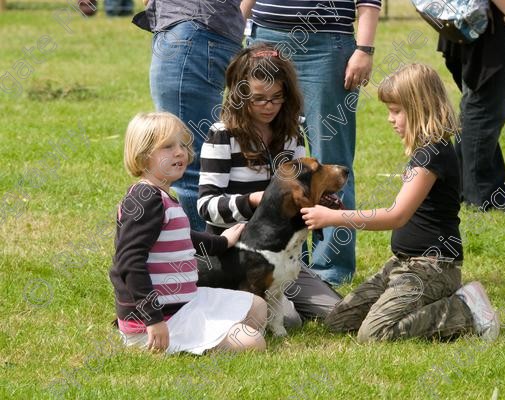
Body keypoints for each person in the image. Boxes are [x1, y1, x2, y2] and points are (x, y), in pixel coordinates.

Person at [301, 64, 500, 342]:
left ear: (420, 108)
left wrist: (332, 218)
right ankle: (426, 305)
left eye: (396, 111)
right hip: (402, 264)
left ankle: (465, 308)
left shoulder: (433, 155)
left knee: (374, 335)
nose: (390, 119)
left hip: (432, 267)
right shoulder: (425, 151)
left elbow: (396, 216)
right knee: (338, 321)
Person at [198, 43, 341, 325]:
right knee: (285, 321)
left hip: (285, 260)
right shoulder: (222, 136)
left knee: (335, 314)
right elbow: (206, 206)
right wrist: (256, 200)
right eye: (259, 99)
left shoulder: (292, 133)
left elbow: (306, 191)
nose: (269, 106)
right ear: (240, 96)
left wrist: (325, 203)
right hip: (235, 260)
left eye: (277, 98)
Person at [241, 0, 382, 286]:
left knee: (332, 164)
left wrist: (364, 49)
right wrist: (235, 31)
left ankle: (330, 271)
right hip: (265, 38)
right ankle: (274, 262)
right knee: (265, 160)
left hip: (326, 44)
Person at [110, 112, 267, 354]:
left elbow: (183, 237)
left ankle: (212, 334)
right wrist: (153, 320)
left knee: (257, 307)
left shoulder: (159, 196)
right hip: (158, 321)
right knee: (253, 343)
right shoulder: (145, 199)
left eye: (182, 144)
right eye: (167, 146)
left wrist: (222, 241)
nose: (179, 152)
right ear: (143, 156)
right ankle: (177, 343)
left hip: (184, 303)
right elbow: (129, 262)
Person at [144, 0, 247, 231]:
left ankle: (201, 261)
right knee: (206, 159)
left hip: (191, 30)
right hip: (203, 29)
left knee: (186, 162)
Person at [455, 0, 505, 211]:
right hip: (490, 27)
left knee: (475, 108)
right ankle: (483, 196)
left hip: (475, 23)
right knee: (483, 110)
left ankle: (464, 187)